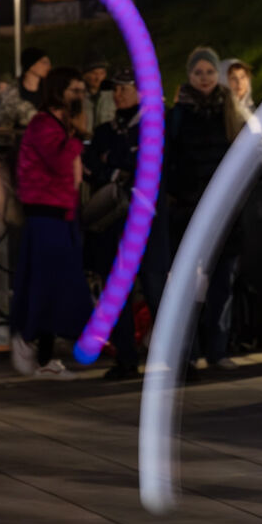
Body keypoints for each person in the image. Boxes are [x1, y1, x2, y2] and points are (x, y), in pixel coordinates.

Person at [83, 69, 170, 379]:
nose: (117, 95)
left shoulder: (156, 124)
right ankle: (126, 357)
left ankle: (178, 360)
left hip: (148, 222)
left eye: (124, 89)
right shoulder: (108, 129)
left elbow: (152, 165)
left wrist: (115, 165)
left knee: (157, 289)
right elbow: (93, 164)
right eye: (115, 90)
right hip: (115, 222)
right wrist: (117, 167)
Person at [9, 67, 94, 380]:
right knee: (46, 285)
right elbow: (59, 162)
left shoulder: (58, 125)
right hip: (46, 215)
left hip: (61, 214)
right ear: (59, 92)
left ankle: (45, 356)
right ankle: (27, 339)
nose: (81, 96)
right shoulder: (43, 124)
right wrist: (77, 138)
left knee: (54, 287)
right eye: (75, 89)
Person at [167, 48, 245, 373]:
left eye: (209, 72)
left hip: (224, 209)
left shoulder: (229, 109)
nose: (204, 78)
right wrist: (182, 193)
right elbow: (169, 157)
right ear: (189, 76)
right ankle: (188, 351)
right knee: (188, 284)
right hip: (188, 208)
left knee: (223, 282)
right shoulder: (179, 113)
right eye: (198, 73)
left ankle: (218, 348)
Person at [82, 55, 116, 132]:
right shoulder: (79, 97)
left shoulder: (113, 97)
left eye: (102, 73)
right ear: (84, 75)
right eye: (94, 73)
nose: (98, 78)